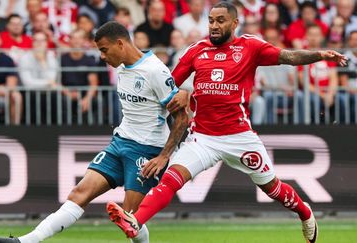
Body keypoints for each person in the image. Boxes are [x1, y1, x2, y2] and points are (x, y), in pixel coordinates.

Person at [106, 2, 347, 243]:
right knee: (172, 178)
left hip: (239, 137)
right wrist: (180, 93)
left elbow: (289, 56)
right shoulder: (196, 50)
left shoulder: (250, 46)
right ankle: (136, 220)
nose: (214, 25)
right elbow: (170, 85)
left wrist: (320, 54)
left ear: (234, 23)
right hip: (203, 137)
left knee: (272, 188)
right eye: (211, 21)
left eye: (220, 21)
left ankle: (305, 213)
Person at [0, 21, 189, 243]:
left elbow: (182, 117)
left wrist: (164, 156)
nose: (102, 57)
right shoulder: (122, 67)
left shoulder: (155, 70)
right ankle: (24, 241)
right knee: (78, 194)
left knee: (130, 219)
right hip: (120, 143)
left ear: (120, 44)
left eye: (104, 50)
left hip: (147, 150)